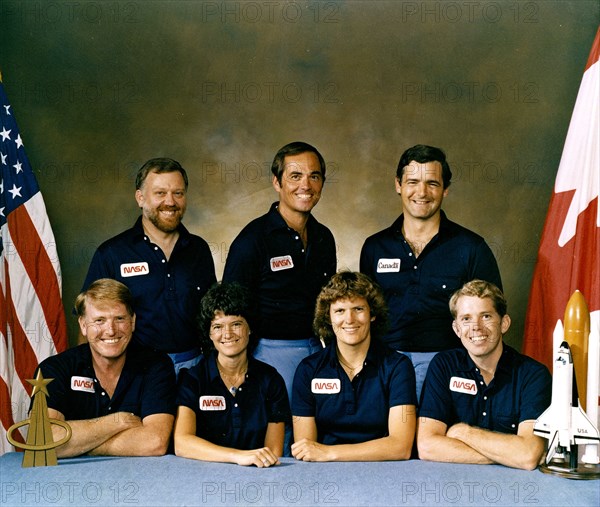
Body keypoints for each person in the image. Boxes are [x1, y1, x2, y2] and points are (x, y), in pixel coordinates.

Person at [360, 144, 502, 399]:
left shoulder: (471, 248)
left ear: (445, 189)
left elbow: (492, 317)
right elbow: (364, 315)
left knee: (437, 438)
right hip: (385, 368)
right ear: (398, 185)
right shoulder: (375, 247)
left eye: (432, 183)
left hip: (450, 367)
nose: (422, 192)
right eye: (412, 181)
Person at [222, 141, 336, 400]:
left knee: (316, 427)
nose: (305, 186)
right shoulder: (252, 240)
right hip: (267, 352)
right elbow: (230, 308)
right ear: (277, 182)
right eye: (295, 176)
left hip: (316, 350)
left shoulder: (323, 237)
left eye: (314, 176)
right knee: (280, 429)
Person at [81, 158, 217, 375]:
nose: (170, 202)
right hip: (135, 371)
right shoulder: (112, 253)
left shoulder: (198, 249)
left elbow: (213, 315)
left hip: (194, 368)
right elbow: (88, 322)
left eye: (178, 193)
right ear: (140, 198)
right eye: (160, 193)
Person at [416, 280, 551, 470]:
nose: (476, 327)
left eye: (486, 316)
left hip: (514, 489)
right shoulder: (444, 366)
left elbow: (528, 455)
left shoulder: (533, 375)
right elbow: (427, 447)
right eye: (466, 319)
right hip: (451, 483)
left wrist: (462, 432)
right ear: (456, 329)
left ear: (504, 323)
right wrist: (508, 455)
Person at [35, 279, 176, 458]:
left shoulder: (156, 366)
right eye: (99, 320)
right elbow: (42, 439)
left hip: (139, 479)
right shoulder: (54, 369)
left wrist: (77, 446)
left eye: (119, 319)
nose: (110, 330)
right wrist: (116, 422)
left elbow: (154, 443)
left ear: (133, 322)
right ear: (83, 325)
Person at [291, 271, 416, 462]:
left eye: (358, 309)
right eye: (340, 311)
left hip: (384, 470)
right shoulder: (308, 370)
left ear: (372, 314)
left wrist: (329, 452)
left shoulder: (398, 366)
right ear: (328, 317)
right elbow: (305, 448)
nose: (349, 319)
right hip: (324, 473)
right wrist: (324, 455)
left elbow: (401, 447)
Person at [174, 282, 290, 467]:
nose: (227, 334)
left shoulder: (271, 379)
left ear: (250, 328)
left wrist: (251, 462)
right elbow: (182, 443)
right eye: (218, 327)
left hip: (257, 474)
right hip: (201, 477)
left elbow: (273, 452)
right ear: (209, 334)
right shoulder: (193, 379)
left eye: (236, 324)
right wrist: (238, 457)